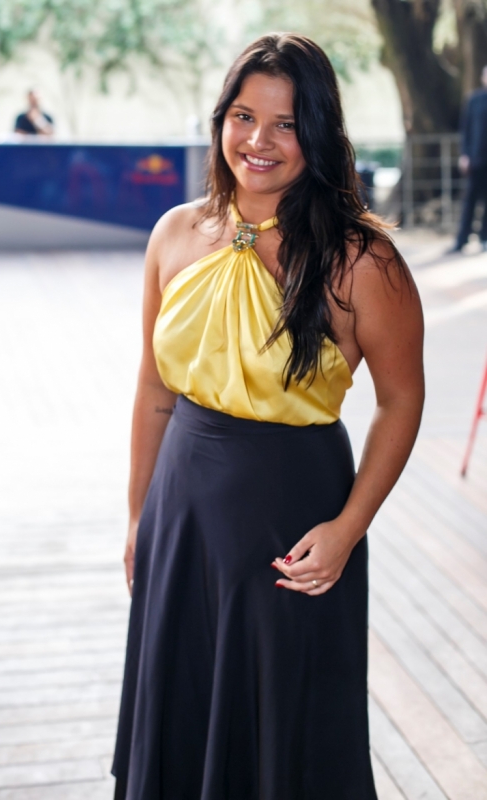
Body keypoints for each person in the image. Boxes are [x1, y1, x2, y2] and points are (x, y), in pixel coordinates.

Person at [112, 33, 424, 800]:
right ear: (221, 119)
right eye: (244, 117)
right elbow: (154, 388)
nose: (259, 141)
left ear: (317, 131)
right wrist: (139, 514)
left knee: (288, 727)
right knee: (183, 710)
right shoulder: (175, 233)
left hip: (293, 519)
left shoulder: (364, 260)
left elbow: (401, 400)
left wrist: (347, 528)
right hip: (181, 514)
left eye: (285, 124)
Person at [450, 65, 487, 253]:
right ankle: (461, 240)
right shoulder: (474, 100)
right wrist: (464, 155)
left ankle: (484, 238)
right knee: (469, 201)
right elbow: (465, 130)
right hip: (475, 159)